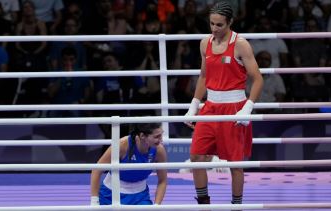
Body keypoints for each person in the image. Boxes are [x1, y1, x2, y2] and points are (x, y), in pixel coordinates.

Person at [184, 1, 263, 206]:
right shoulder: (205, 43)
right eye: (211, 24)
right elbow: (203, 76)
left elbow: (258, 79)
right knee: (196, 156)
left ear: (230, 22)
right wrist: (194, 105)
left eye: (219, 25)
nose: (214, 29)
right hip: (210, 106)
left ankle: (236, 206)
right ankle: (203, 204)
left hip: (234, 107)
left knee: (235, 165)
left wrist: (247, 108)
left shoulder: (241, 44)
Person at [90, 123, 167, 205]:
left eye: (161, 135)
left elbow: (162, 180)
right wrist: (94, 201)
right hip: (110, 194)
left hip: (140, 197)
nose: (161, 140)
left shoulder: (159, 150)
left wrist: (157, 205)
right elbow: (97, 170)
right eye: (157, 137)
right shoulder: (122, 145)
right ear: (142, 136)